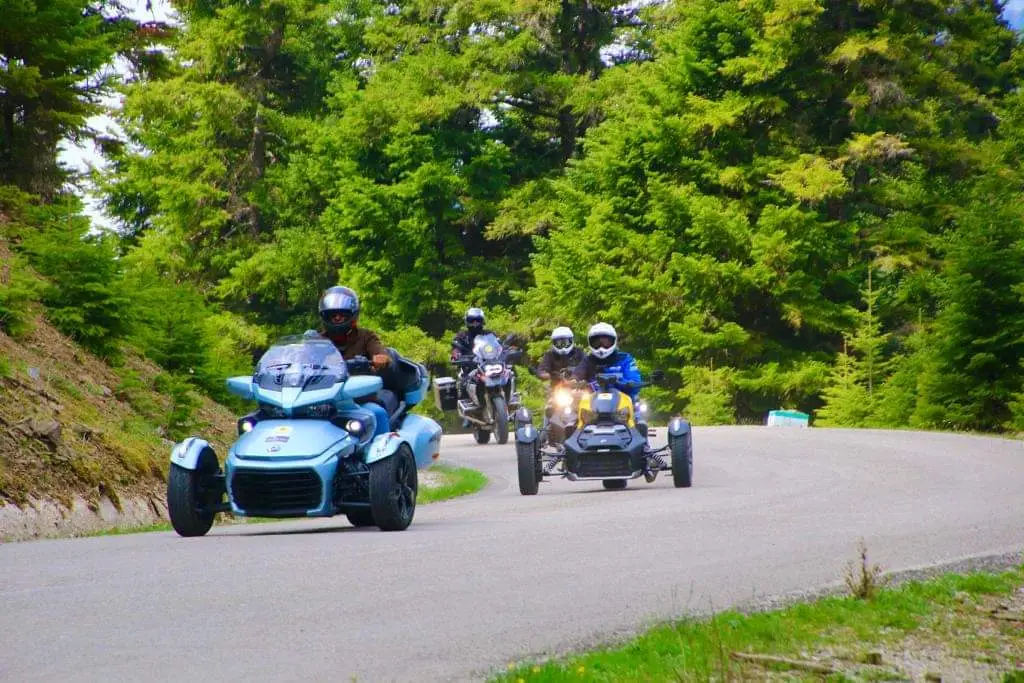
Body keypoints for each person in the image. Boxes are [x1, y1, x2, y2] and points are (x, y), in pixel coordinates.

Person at [308, 286, 396, 436]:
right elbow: (303, 360)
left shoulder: (366, 336)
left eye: (342, 314)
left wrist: (381, 358)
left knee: (377, 413)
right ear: (324, 316)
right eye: (332, 314)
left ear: (352, 315)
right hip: (323, 401)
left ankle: (384, 449)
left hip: (359, 400)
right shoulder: (317, 341)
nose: (337, 318)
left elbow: (380, 353)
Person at [572, 322, 641, 403]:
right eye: (597, 343)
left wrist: (622, 382)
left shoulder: (624, 359)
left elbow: (635, 381)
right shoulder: (588, 360)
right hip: (594, 403)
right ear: (590, 342)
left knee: (639, 409)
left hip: (623, 402)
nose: (601, 347)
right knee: (573, 408)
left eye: (606, 343)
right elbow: (578, 374)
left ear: (614, 341)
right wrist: (573, 381)